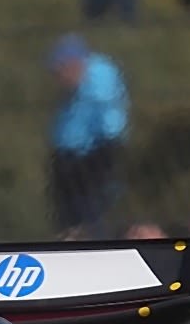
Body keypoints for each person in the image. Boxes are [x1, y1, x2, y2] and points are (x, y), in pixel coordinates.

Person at [47, 35, 129, 236]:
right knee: (69, 218)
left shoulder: (98, 81)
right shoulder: (76, 90)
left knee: (91, 216)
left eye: (61, 71)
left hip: (93, 159)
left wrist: (104, 152)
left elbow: (110, 122)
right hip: (71, 160)